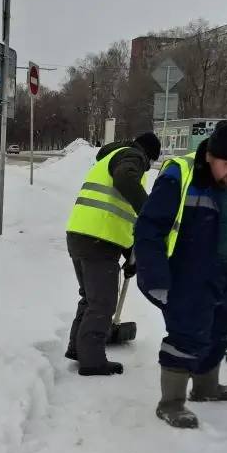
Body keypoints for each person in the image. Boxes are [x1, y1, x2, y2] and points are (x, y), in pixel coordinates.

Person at [134, 121, 227, 427]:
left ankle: (206, 388)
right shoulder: (181, 176)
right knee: (186, 336)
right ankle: (171, 402)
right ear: (209, 157)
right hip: (187, 275)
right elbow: (148, 228)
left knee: (220, 329)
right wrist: (156, 278)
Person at [65, 132, 162, 376]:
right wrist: (149, 211)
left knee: (90, 298)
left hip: (81, 234)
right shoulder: (133, 156)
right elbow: (124, 179)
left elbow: (118, 215)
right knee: (102, 302)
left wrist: (131, 253)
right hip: (98, 240)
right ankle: (92, 360)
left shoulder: (111, 157)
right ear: (148, 155)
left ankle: (79, 348)